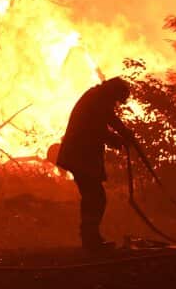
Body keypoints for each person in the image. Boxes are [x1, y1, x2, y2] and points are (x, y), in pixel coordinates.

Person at [56, 75, 132, 252]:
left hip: (80, 155)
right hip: (80, 156)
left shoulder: (98, 97)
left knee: (94, 197)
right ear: (113, 93)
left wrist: (125, 133)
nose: (117, 104)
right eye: (117, 99)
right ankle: (90, 240)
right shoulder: (97, 100)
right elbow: (98, 128)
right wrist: (117, 138)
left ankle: (91, 239)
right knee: (95, 197)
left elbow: (110, 118)